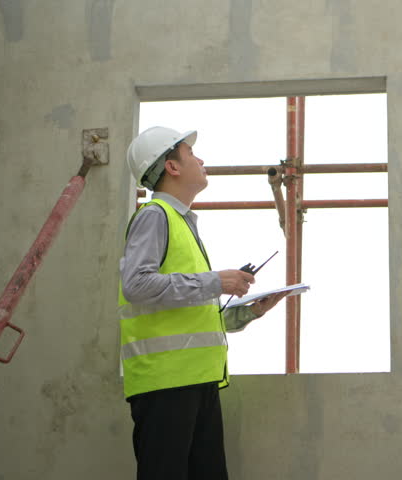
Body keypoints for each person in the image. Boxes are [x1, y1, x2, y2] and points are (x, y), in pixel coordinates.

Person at [119, 126, 286, 479]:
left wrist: (246, 314)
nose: (201, 159)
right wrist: (216, 281)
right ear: (173, 167)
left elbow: (183, 312)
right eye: (191, 154)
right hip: (167, 386)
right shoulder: (155, 216)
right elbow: (136, 285)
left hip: (195, 382)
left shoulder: (179, 222)